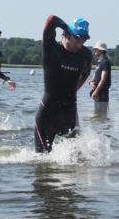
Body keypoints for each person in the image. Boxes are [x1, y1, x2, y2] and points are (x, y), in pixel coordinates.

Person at [35, 15, 93, 153]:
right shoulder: (51, 48)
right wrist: (65, 26)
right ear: (67, 34)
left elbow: (86, 73)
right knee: (41, 161)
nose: (79, 45)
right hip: (47, 113)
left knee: (73, 161)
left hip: (69, 113)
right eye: (77, 39)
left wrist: (75, 88)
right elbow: (50, 19)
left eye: (83, 41)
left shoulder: (85, 54)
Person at [89, 41, 112, 119]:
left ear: (101, 50)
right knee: (97, 117)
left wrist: (96, 91)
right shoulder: (100, 62)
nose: (94, 50)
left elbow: (103, 79)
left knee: (101, 116)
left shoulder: (105, 62)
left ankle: (102, 131)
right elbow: (96, 76)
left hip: (102, 93)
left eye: (96, 49)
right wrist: (91, 82)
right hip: (98, 93)